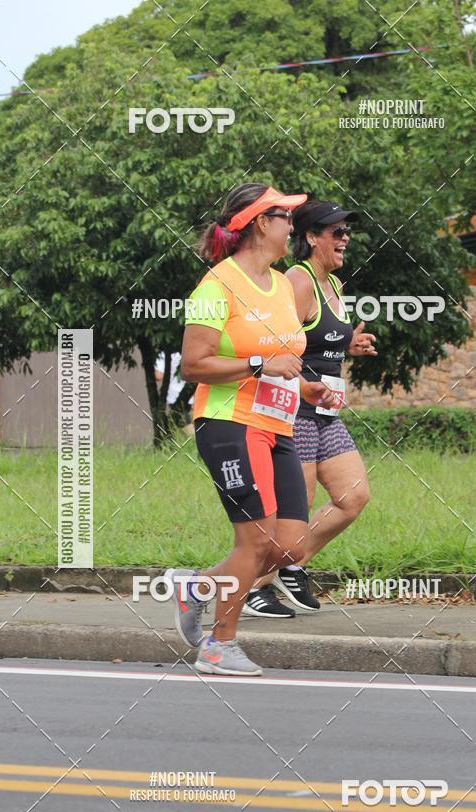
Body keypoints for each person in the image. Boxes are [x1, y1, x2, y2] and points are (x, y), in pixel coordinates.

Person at [167, 183, 333, 676]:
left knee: (290, 546)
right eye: (286, 217)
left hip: (278, 423)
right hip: (229, 424)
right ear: (262, 224)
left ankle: (195, 587)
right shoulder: (215, 287)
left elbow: (286, 356)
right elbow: (192, 366)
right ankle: (219, 646)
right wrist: (259, 363)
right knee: (255, 541)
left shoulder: (282, 285)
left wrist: (305, 388)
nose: (293, 226)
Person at [243, 199, 377, 617]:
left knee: (353, 496)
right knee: (291, 517)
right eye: (335, 232)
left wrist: (349, 346)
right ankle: (251, 587)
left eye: (345, 231)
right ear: (311, 237)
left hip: (324, 411)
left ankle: (291, 565)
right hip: (291, 410)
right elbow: (272, 351)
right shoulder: (297, 282)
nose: (344, 239)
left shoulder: (333, 285)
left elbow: (315, 343)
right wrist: (304, 387)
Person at [154, 351, 192, 430]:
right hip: (191, 395)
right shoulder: (188, 348)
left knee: (186, 426)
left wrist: (150, 367)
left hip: (175, 396)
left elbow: (158, 376)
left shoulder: (164, 352)